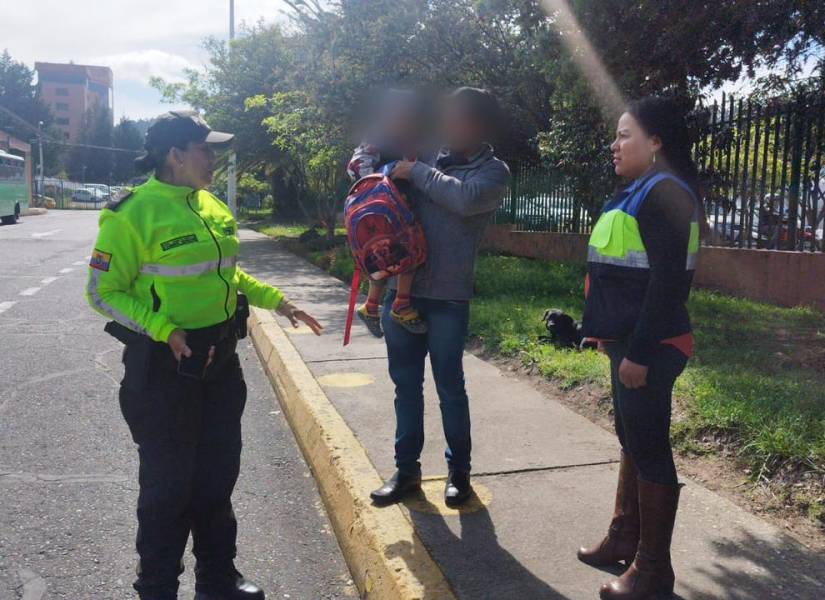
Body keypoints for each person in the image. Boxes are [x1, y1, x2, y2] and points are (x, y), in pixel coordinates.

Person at [85, 110, 322, 600]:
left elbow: (227, 276)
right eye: (205, 149)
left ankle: (218, 580)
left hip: (221, 364)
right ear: (175, 155)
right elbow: (103, 292)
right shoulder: (133, 213)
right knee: (168, 489)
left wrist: (280, 302)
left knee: (217, 478)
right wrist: (162, 329)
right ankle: (157, 589)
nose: (214, 158)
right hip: (165, 370)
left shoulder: (211, 206)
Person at [577, 96, 700, 600]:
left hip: (651, 344)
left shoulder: (665, 193)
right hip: (626, 341)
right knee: (631, 438)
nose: (615, 143)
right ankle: (624, 538)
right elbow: (620, 276)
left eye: (625, 134)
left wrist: (641, 353)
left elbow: (670, 284)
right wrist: (597, 331)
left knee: (649, 448)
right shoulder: (637, 192)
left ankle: (652, 572)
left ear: (656, 143)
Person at [366, 87, 510, 507]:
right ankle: (406, 470)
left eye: (458, 118)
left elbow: (463, 201)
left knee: (451, 388)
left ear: (480, 126)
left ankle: (458, 473)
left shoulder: (493, 172)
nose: (448, 125)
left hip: (448, 297)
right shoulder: (426, 152)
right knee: (405, 387)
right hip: (401, 292)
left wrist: (416, 173)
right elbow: (385, 164)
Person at [347, 88, 434, 336]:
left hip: (401, 209)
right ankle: (392, 304)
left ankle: (382, 305)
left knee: (405, 254)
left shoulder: (410, 141)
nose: (405, 120)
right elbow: (356, 166)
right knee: (388, 254)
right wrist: (379, 182)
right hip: (381, 210)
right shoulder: (377, 138)